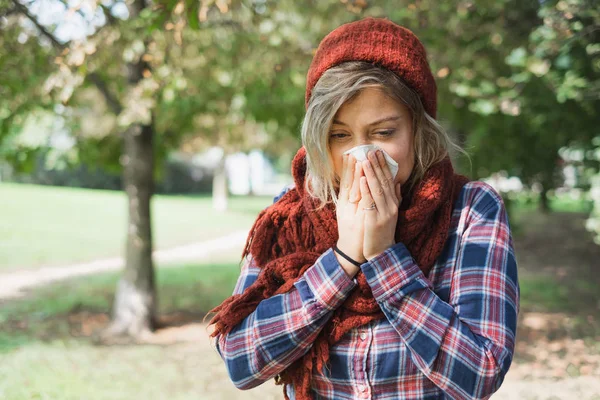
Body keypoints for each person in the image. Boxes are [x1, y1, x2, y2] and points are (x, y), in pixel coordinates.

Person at [208, 17, 519, 400]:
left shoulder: (470, 210)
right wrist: (343, 258)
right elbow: (241, 362)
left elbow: (481, 374)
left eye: (384, 132)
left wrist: (384, 256)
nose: (361, 155)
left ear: (418, 130)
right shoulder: (290, 214)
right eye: (340, 136)